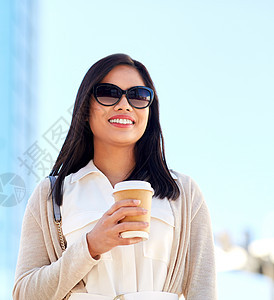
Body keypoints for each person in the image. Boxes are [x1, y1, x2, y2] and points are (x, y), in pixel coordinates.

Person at [13, 53, 217, 300]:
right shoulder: (51, 196)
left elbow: (203, 291)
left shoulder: (183, 193)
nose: (124, 105)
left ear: (149, 112)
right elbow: (24, 294)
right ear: (86, 108)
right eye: (108, 93)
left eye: (139, 96)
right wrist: (90, 246)